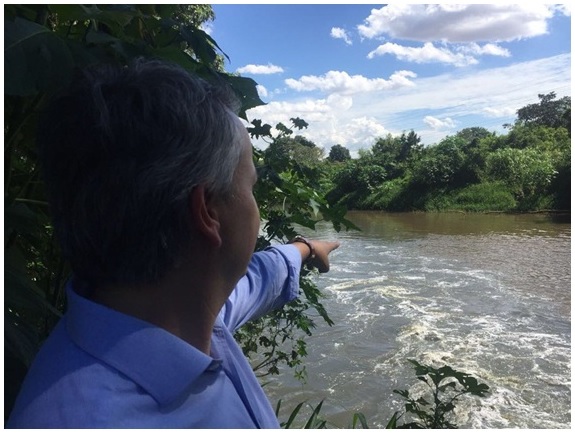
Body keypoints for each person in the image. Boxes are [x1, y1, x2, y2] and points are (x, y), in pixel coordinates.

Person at [7, 58, 340, 428]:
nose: (254, 205)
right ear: (208, 211)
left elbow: (259, 277)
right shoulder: (88, 419)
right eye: (251, 187)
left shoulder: (185, 314)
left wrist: (305, 248)